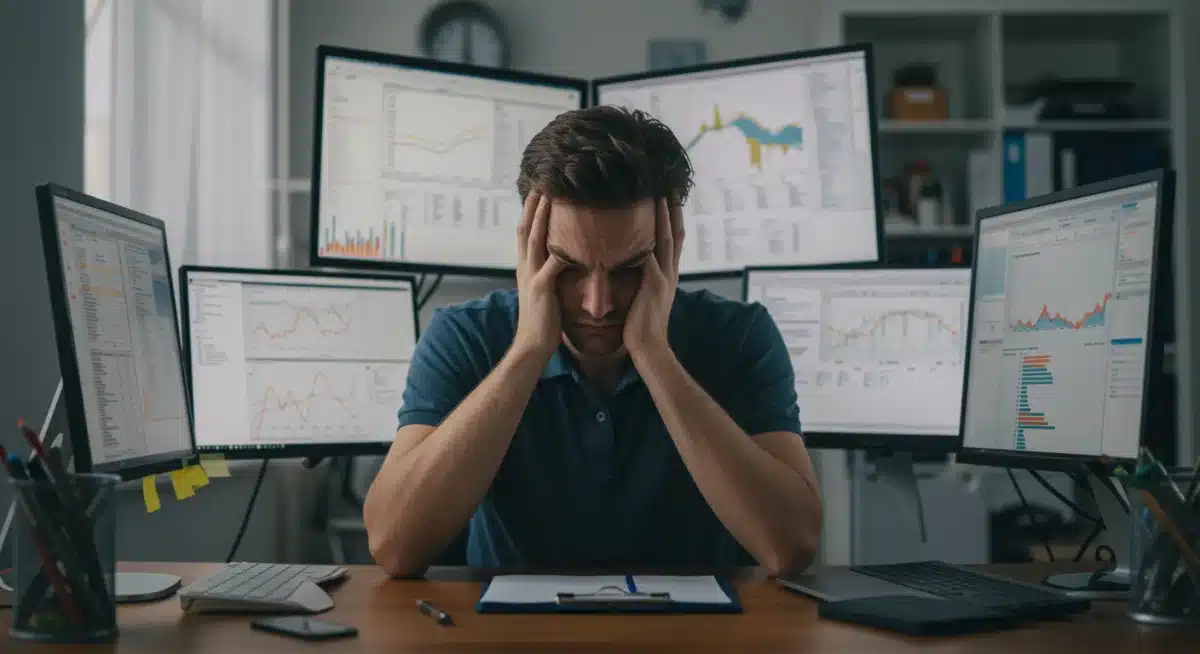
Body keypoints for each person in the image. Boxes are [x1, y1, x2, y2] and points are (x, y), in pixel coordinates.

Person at [363, 105, 822, 576]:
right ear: (529, 250)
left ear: (672, 248)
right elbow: (396, 546)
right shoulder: (463, 336)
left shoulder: (740, 336)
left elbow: (791, 547)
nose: (597, 304)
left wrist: (655, 356)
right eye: (568, 267)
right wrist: (527, 351)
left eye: (629, 270)